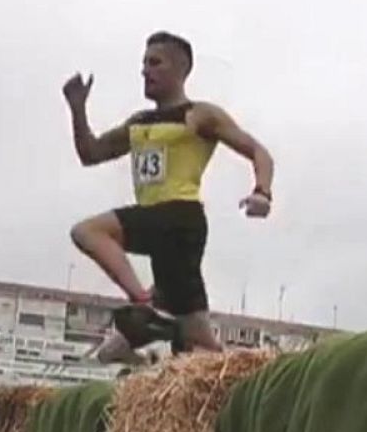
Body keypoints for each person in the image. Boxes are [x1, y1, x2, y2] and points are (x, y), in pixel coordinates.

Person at [62, 31, 275, 361]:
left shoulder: (199, 114)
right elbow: (91, 153)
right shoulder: (139, 123)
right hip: (163, 232)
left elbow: (259, 152)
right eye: (143, 64)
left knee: (88, 231)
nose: (145, 71)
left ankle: (144, 305)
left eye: (155, 63)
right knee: (194, 347)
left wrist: (262, 193)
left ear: (180, 70)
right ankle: (226, 370)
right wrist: (77, 109)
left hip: (180, 217)